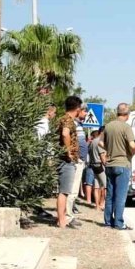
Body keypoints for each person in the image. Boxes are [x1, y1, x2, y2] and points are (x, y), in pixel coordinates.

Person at [103, 103, 135, 230]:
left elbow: (101, 143)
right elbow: (132, 145)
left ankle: (108, 222)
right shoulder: (126, 127)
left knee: (110, 195)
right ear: (127, 114)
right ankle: (119, 223)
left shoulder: (108, 126)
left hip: (110, 164)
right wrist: (132, 152)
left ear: (117, 112)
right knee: (120, 196)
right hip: (123, 164)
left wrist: (110, 150)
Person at [55, 97, 81, 228]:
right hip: (66, 161)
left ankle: (61, 218)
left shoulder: (61, 118)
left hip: (63, 159)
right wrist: (69, 152)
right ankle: (61, 221)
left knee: (63, 191)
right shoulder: (68, 120)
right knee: (64, 191)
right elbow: (65, 134)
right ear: (77, 109)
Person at [88, 129, 107, 211]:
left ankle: (97, 206)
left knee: (96, 186)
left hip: (93, 165)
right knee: (106, 186)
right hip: (100, 166)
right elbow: (102, 156)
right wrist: (107, 164)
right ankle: (103, 204)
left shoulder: (92, 142)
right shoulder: (100, 141)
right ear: (102, 132)